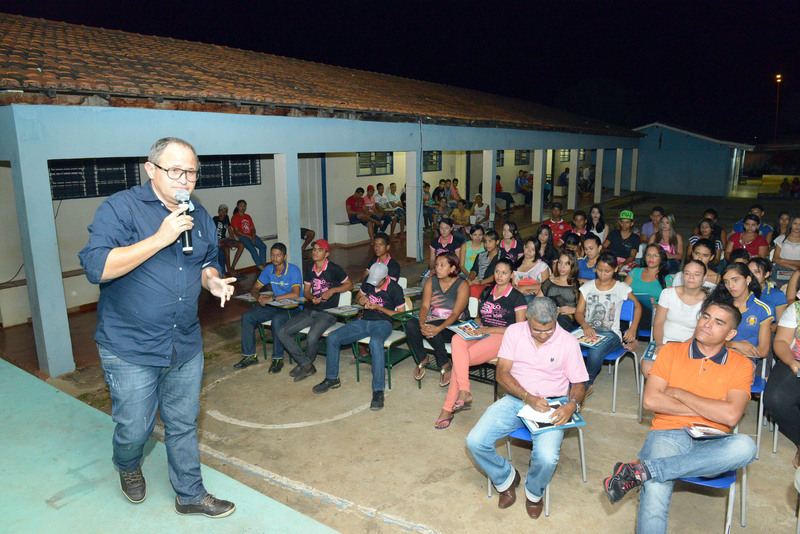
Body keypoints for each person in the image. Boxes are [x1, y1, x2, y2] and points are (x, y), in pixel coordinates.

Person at [77, 137, 236, 517]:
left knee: (183, 422)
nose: (185, 180)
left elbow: (207, 261)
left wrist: (212, 281)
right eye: (175, 170)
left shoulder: (198, 214)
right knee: (136, 429)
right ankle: (127, 463)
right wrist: (160, 238)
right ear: (150, 169)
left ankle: (190, 494)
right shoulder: (120, 208)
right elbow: (97, 268)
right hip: (130, 346)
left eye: (191, 172)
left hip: (184, 342)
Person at [602, 298, 757, 534]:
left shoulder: (741, 364)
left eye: (718, 322)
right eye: (705, 317)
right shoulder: (671, 351)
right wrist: (713, 408)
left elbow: (731, 415)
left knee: (745, 446)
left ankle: (646, 471)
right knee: (655, 491)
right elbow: (651, 400)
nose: (707, 324)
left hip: (713, 443)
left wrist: (679, 393)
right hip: (668, 433)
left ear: (730, 334)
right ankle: (650, 474)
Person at [466, 298, 588, 519]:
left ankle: (534, 493)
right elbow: (502, 373)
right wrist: (527, 397)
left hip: (552, 405)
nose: (543, 335)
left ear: (556, 318)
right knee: (475, 441)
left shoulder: (568, 342)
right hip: (517, 398)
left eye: (549, 330)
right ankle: (505, 479)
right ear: (528, 320)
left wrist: (572, 405)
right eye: (537, 330)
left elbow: (579, 383)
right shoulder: (514, 332)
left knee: (547, 457)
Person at [435, 258, 527, 429]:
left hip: (502, 336)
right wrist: (469, 327)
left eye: (504, 272)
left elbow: (520, 328)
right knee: (456, 339)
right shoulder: (487, 292)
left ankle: (448, 408)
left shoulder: (517, 297)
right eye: (497, 271)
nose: (499, 275)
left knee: (460, 361)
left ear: (512, 275)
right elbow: (480, 318)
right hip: (482, 330)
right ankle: (464, 391)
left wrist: (491, 329)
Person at [312, 263, 405, 410]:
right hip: (364, 321)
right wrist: (361, 300)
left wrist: (379, 308)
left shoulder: (395, 288)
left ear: (386, 277)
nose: (374, 284)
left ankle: (378, 390)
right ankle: (332, 378)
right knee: (333, 337)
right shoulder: (369, 281)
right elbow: (358, 296)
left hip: (383, 323)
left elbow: (401, 315)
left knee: (375, 343)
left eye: (378, 282)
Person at [277, 239, 353, 382]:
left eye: (319, 250)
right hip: (312, 310)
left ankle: (305, 365)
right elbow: (306, 291)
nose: (315, 252)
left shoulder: (334, 269)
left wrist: (333, 290)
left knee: (312, 337)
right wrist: (312, 298)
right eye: (314, 249)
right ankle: (306, 364)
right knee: (282, 332)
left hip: (329, 313)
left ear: (326, 254)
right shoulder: (310, 269)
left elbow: (350, 285)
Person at [575, 253, 641, 393]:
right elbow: (579, 312)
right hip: (588, 330)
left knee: (595, 352)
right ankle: (570, 379)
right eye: (599, 270)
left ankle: (587, 383)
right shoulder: (587, 287)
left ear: (615, 269)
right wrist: (586, 325)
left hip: (611, 334)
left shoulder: (621, 287)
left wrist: (633, 328)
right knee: (567, 344)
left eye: (607, 271)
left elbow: (638, 306)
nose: (603, 274)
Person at [236, 242, 303, 373]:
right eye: (272, 255)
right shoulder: (269, 269)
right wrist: (259, 297)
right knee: (247, 317)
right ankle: (250, 356)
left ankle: (278, 358)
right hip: (276, 305)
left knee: (277, 320)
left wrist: (272, 298)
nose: (274, 258)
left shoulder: (293, 270)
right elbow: (255, 288)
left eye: (278, 255)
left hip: (293, 307)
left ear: (285, 257)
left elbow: (295, 294)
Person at [407, 253, 470, 387]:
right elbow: (425, 306)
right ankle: (422, 358)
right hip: (433, 321)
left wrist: (438, 328)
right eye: (436, 265)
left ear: (453, 268)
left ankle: (444, 363)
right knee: (411, 324)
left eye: (442, 265)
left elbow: (455, 314)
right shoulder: (431, 281)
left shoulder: (462, 285)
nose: (438, 268)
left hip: (454, 326)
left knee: (433, 330)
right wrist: (422, 323)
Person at [646, 260, 707, 377]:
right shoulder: (668, 293)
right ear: (682, 275)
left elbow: (699, 332)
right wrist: (659, 344)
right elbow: (658, 323)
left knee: (682, 372)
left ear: (704, 277)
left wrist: (681, 348)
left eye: (697, 274)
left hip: (690, 345)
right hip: (664, 341)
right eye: (687, 273)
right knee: (648, 367)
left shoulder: (708, 302)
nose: (691, 277)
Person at [709, 263, 773, 368]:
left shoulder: (762, 309)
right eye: (726, 282)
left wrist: (733, 352)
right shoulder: (720, 306)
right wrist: (735, 345)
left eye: (735, 280)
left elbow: (763, 351)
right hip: (716, 356)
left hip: (745, 361)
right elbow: (708, 340)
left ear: (748, 279)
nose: (730, 286)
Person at [764, 295, 800, 467]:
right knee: (776, 398)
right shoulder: (796, 309)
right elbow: (781, 341)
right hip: (796, 360)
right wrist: (791, 362)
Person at [625, 244, 673, 329]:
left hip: (651, 315)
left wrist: (655, 305)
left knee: (641, 307)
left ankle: (633, 332)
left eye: (655, 255)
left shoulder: (666, 279)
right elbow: (622, 292)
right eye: (648, 255)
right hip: (629, 311)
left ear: (661, 258)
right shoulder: (635, 272)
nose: (651, 258)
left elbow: (670, 305)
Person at [541, 250, 580, 331]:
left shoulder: (577, 285)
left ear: (573, 265)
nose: (562, 266)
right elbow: (536, 303)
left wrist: (575, 310)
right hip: (549, 314)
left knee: (562, 322)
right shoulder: (549, 282)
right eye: (560, 262)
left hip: (568, 318)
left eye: (567, 264)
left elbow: (588, 308)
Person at [747, 257, 788, 325]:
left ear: (766, 274)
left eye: (757, 272)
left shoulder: (777, 295)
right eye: (749, 272)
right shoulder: (742, 292)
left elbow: (780, 323)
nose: (752, 275)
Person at [231, 199, 267, 269]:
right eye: (241, 206)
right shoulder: (235, 217)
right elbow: (237, 231)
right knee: (253, 249)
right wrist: (249, 237)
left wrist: (253, 235)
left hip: (251, 235)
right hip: (242, 237)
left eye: (244, 206)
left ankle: (263, 264)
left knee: (263, 246)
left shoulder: (248, 216)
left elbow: (252, 228)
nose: (243, 207)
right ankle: (260, 265)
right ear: (237, 207)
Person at [513, 237, 551, 302]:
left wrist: (524, 288)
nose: (529, 251)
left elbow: (546, 285)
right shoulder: (516, 265)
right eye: (527, 247)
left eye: (533, 249)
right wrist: (523, 291)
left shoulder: (542, 266)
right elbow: (512, 285)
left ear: (537, 251)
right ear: (524, 247)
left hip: (536, 296)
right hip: (519, 294)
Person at [603, 210, 640, 277]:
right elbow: (603, 246)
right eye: (622, 222)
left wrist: (623, 264)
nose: (624, 224)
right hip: (612, 260)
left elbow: (632, 256)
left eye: (627, 222)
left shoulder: (635, 238)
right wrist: (608, 254)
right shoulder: (613, 233)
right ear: (619, 223)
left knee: (637, 269)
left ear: (631, 223)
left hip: (626, 262)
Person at [468, 230, 504, 298]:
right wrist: (470, 279)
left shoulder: (502, 257)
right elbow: (474, 270)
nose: (487, 244)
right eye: (485, 241)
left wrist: (481, 282)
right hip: (478, 283)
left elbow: (498, 275)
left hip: (494, 285)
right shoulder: (480, 255)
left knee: (474, 289)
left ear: (497, 242)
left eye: (490, 241)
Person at [213, 203, 244, 276]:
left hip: (225, 239)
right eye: (222, 211)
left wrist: (232, 238)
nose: (224, 213)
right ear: (218, 212)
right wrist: (216, 241)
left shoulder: (226, 218)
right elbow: (211, 231)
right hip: (217, 241)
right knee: (226, 249)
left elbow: (229, 229)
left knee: (241, 245)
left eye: (225, 211)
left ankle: (232, 267)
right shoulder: (215, 219)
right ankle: (229, 270)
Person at [773, 214, 800, 283]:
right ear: (791, 224)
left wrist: (784, 260)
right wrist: (792, 267)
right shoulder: (781, 238)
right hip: (781, 269)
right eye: (795, 223)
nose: (797, 226)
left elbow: (781, 260)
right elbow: (775, 259)